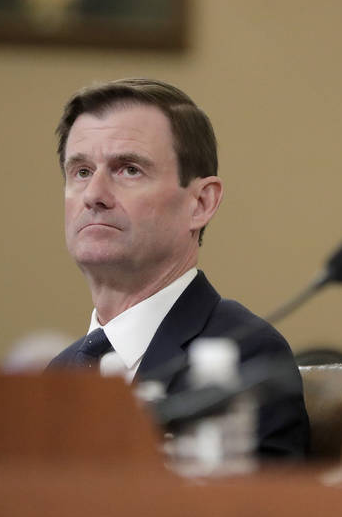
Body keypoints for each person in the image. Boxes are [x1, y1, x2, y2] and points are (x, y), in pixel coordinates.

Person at [47, 78, 309, 458]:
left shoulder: (244, 359)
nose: (94, 196)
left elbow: (253, 516)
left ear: (200, 203)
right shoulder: (61, 371)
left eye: (128, 169)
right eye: (81, 171)